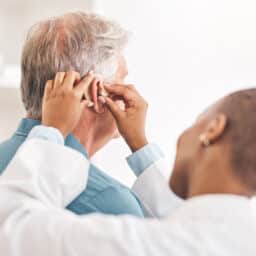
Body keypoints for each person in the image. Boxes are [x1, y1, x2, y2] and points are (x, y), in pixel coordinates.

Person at [1, 71, 256, 256]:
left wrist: (52, 131)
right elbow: (185, 218)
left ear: (213, 129)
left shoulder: (135, 241)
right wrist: (139, 144)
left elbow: (11, 226)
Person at [0, 12, 181, 217]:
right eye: (123, 79)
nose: (130, 90)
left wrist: (140, 144)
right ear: (96, 92)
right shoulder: (107, 202)